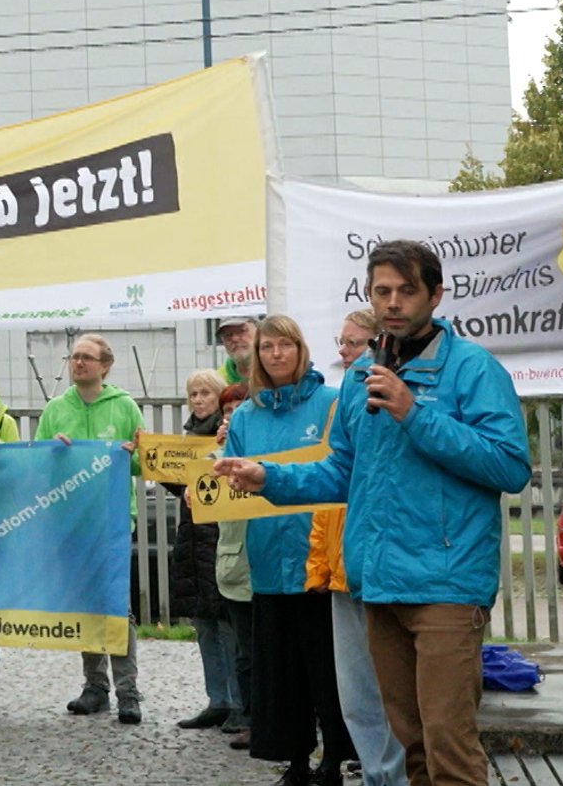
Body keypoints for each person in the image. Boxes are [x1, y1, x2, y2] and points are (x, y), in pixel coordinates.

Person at [218, 240, 531, 786]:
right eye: (381, 290)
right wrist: (269, 477)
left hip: (446, 584)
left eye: (407, 290)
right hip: (378, 584)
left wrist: (414, 413)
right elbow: (340, 472)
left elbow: (508, 467)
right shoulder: (364, 372)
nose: (393, 302)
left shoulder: (473, 370)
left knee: (448, 744)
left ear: (435, 294)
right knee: (409, 743)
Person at [220, 315, 353, 786]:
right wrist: (203, 491)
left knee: (327, 670)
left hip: (318, 562)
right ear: (256, 357)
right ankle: (295, 761)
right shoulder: (247, 416)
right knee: (281, 673)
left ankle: (335, 760)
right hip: (267, 560)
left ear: (301, 349)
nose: (277, 354)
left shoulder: (332, 403)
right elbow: (230, 482)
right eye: (268, 347)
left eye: (285, 345)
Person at [313, 308, 406, 786]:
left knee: (393, 690)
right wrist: (268, 478)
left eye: (357, 344)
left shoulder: (407, 394)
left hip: (394, 568)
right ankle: (375, 775)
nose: (346, 352)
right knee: (357, 694)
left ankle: (396, 776)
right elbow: (334, 472)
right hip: (345, 563)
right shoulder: (349, 393)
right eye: (342, 342)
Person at [38, 332, 145, 725]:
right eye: (74, 356)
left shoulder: (126, 406)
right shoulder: (55, 409)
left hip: (113, 521)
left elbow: (143, 464)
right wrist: (52, 449)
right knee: (85, 604)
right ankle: (95, 687)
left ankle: (128, 692)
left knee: (118, 607)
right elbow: (38, 465)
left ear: (105, 365)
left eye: (86, 357)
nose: (78, 362)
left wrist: (134, 454)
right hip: (72, 522)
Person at [171, 369, 238, 732]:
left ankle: (239, 701)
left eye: (205, 394)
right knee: (204, 626)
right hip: (193, 536)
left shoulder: (229, 433)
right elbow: (178, 485)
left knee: (227, 626)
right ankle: (218, 699)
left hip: (220, 538)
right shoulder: (188, 439)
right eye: (193, 394)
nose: (198, 400)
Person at [213, 383, 257, 749]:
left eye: (238, 409)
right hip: (234, 565)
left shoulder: (266, 447)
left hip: (268, 561)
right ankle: (251, 717)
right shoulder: (214, 452)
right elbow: (197, 496)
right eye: (227, 410)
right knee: (245, 651)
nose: (232, 416)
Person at [217, 317, 258, 386]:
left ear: (258, 332)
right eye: (228, 334)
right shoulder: (218, 381)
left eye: (241, 331)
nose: (234, 339)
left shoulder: (276, 373)